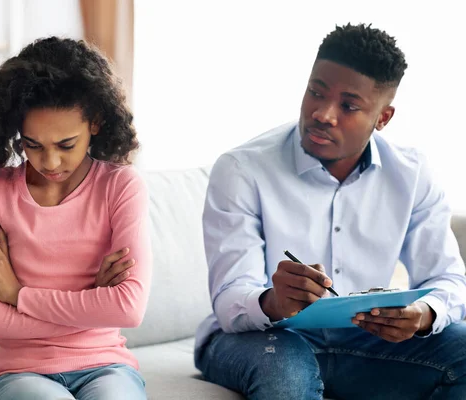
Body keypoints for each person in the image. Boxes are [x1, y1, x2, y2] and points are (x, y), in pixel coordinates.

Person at [195, 23, 466, 399]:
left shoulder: (413, 175)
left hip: (363, 342)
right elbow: (229, 299)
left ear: (383, 118)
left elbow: (448, 280)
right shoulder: (243, 169)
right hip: (263, 338)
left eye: (348, 106)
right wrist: (274, 300)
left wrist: (423, 315)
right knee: (286, 370)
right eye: (315, 93)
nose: (323, 114)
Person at [0, 37, 151, 400]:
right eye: (33, 145)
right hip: (19, 373)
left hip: (107, 367)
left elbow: (128, 307)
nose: (49, 163)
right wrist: (91, 306)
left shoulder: (120, 186)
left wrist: (18, 294)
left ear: (95, 123)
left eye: (66, 145)